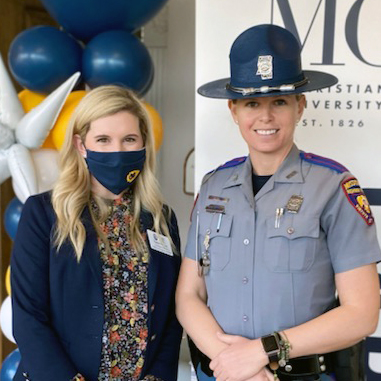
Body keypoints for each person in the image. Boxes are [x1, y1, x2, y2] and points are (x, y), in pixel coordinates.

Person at [175, 24, 381, 381]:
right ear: (234, 109)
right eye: (252, 103)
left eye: (280, 102)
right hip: (220, 374)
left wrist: (260, 352)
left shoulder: (332, 186)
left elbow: (362, 313)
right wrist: (235, 363)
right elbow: (188, 294)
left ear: (300, 106)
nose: (266, 117)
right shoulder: (213, 187)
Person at [11, 85, 182, 381]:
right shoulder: (43, 214)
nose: (117, 150)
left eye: (129, 139)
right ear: (81, 145)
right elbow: (28, 317)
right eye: (103, 140)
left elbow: (171, 317)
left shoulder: (160, 219)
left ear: (144, 145)